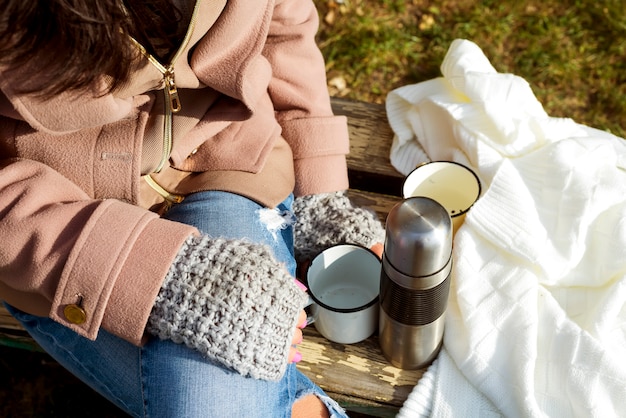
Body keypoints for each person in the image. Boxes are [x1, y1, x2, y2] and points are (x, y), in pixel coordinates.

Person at [0, 0, 385, 417]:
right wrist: (158, 274)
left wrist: (315, 187)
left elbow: (281, 23)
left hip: (226, 159)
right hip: (56, 236)